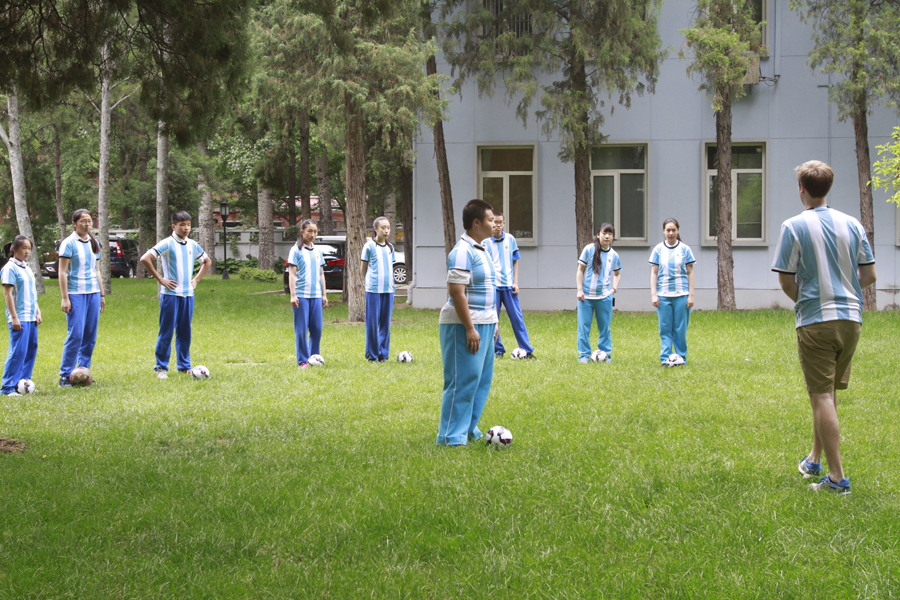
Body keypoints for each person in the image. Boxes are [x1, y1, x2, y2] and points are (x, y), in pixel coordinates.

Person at [773, 160, 876, 496]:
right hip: (851, 321)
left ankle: (837, 479)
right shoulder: (854, 225)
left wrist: (805, 299)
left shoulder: (793, 226)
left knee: (820, 396)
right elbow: (869, 275)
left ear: (801, 188)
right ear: (827, 187)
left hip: (816, 321)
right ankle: (814, 459)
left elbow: (786, 279)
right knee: (828, 395)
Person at [437, 199, 498, 446]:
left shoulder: (483, 249)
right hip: (462, 325)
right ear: (476, 222)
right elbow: (456, 292)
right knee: (462, 379)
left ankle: (468, 428)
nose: (495, 224)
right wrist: (470, 328)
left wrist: (493, 324)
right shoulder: (461, 251)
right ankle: (451, 436)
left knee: (481, 380)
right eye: (491, 220)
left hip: (486, 322)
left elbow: (488, 289)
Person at [140, 211, 212, 379]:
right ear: (174, 226)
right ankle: (161, 368)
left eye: (188, 224)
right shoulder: (167, 243)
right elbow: (145, 258)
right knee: (166, 332)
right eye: (182, 225)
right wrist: (160, 279)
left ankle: (184, 366)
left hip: (188, 295)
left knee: (185, 332)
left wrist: (197, 279)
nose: (186, 228)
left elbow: (207, 261)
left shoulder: (193, 245)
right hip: (170, 295)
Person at [58, 209, 105, 387]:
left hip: (92, 293)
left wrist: (101, 294)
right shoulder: (68, 243)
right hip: (75, 293)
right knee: (76, 334)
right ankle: (65, 374)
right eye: (83, 221)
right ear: (74, 223)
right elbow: (62, 272)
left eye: (89, 221)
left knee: (89, 335)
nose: (87, 224)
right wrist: (65, 298)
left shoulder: (94, 243)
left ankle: (82, 373)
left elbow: (97, 271)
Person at [483, 211, 535, 359]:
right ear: (490, 223)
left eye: (500, 222)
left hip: (508, 286)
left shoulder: (510, 239)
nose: (497, 225)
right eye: (494, 222)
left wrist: (515, 282)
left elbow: (515, 261)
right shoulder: (485, 242)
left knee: (517, 319)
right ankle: (497, 350)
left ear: (504, 224)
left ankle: (526, 349)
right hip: (493, 287)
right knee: (493, 319)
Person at [649, 218, 695, 366]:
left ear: (678, 231)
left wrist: (691, 295)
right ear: (663, 231)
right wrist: (654, 294)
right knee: (665, 328)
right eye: (668, 230)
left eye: (673, 230)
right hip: (663, 296)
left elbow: (690, 273)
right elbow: (654, 273)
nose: (670, 233)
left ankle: (681, 357)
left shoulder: (685, 249)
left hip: (681, 295)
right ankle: (665, 358)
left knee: (680, 328)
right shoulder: (658, 249)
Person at [2, 236, 42, 396]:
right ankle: (7, 387)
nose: (27, 251)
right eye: (24, 248)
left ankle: (24, 383)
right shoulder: (9, 268)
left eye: (29, 248)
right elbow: (8, 294)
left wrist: (37, 311)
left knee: (31, 349)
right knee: (18, 351)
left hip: (31, 316)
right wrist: (14, 317)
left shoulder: (27, 268)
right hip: (19, 316)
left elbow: (32, 293)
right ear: (14, 249)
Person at [576, 223, 621, 363]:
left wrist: (613, 289)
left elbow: (617, 273)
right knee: (583, 328)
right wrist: (579, 290)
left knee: (605, 329)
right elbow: (580, 270)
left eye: (610, 234)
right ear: (598, 234)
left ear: (613, 236)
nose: (607, 236)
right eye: (604, 233)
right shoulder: (589, 250)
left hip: (604, 297)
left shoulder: (614, 255)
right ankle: (584, 355)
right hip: (586, 297)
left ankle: (605, 353)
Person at [287, 219, 329, 369]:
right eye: (309, 231)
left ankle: (314, 358)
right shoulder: (296, 250)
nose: (312, 234)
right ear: (302, 232)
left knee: (317, 328)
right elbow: (291, 274)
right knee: (301, 329)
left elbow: (321, 274)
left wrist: (324, 294)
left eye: (315, 231)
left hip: (316, 295)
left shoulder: (317, 251)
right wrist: (293, 295)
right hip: (301, 295)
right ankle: (303, 361)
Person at [361, 217, 395, 362]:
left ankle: (383, 354)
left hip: (388, 290)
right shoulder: (368, 246)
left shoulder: (390, 248)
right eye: (383, 227)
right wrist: (367, 285)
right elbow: (362, 269)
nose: (386, 230)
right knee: (372, 324)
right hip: (373, 290)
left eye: (388, 227)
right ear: (375, 229)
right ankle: (372, 354)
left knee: (385, 324)